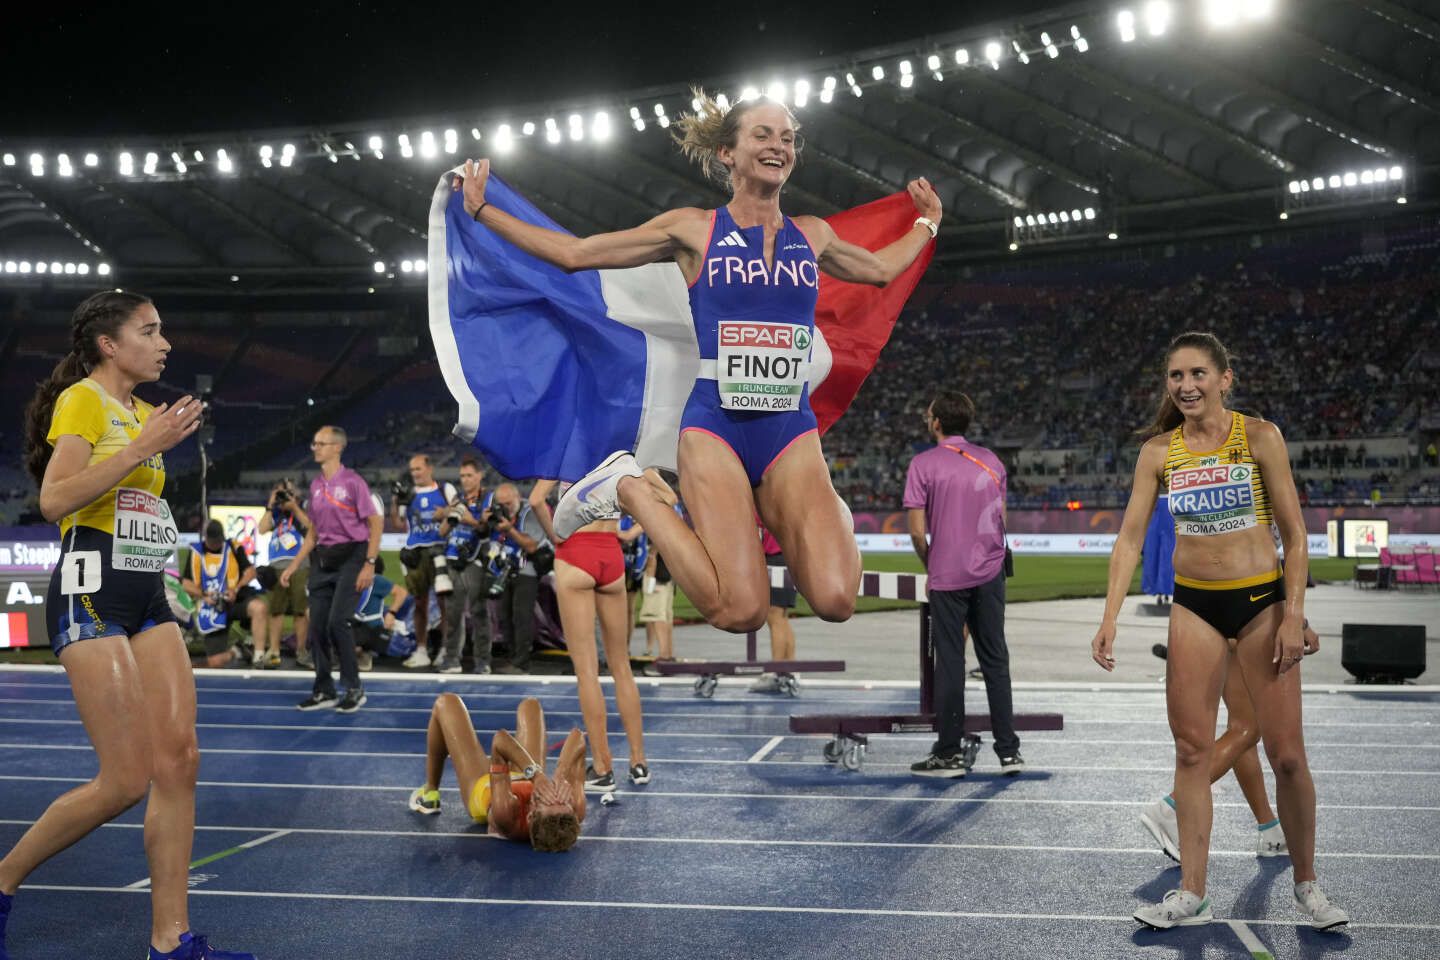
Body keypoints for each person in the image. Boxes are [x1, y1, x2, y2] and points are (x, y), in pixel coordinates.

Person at [452, 90, 940, 638]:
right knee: (741, 612)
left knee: (835, 599)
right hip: (717, 426)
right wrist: (483, 211)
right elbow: (576, 255)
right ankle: (628, 487)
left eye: (787, 138)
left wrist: (928, 225)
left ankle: (826, 510)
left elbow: (878, 271)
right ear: (727, 153)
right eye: (763, 135)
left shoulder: (814, 233)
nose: (779, 145)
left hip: (788, 428)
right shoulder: (693, 230)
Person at [11, 290, 253, 959]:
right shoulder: (84, 399)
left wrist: (153, 440)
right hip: (90, 591)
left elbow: (138, 508)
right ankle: (2, 880)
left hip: (148, 593)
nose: (166, 343)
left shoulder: (145, 411)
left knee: (180, 762)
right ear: (109, 345)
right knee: (123, 778)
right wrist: (140, 447)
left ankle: (170, 942)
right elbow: (56, 498)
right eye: (150, 331)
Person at [1090, 331, 1348, 931]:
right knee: (1190, 750)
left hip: (1260, 605)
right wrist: (1109, 617)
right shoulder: (1158, 452)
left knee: (1285, 755)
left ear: (1224, 378)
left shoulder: (1260, 437)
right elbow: (1129, 539)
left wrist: (1291, 613)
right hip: (1195, 607)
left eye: (1198, 373)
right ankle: (1193, 894)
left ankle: (1308, 886)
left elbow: (1297, 534)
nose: (1186, 385)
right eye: (1176, 376)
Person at [904, 390, 1022, 778]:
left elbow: (918, 533)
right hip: (990, 572)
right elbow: (1000, 519)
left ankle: (949, 754)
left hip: (948, 576)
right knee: (996, 660)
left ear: (936, 422)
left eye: (928, 415)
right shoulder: (991, 461)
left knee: (951, 663)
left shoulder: (922, 464)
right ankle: (1009, 753)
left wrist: (931, 565)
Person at [531, 479, 650, 790]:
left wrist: (555, 536)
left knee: (587, 672)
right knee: (622, 667)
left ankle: (603, 767)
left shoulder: (563, 451)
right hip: (611, 553)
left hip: (574, 551)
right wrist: (628, 528)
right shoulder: (619, 454)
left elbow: (535, 500)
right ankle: (639, 763)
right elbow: (663, 496)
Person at [407, 694, 588, 852]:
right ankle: (536, 781)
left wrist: (538, 776)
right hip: (525, 777)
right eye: (562, 799)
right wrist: (561, 775)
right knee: (531, 706)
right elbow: (578, 737)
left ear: (530, 815)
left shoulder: (506, 813)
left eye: (545, 799)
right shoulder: (574, 807)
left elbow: (500, 741)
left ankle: (430, 792)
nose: (555, 793)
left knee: (446, 702)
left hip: (485, 785)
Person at [283, 426, 381, 714]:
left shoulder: (353, 482)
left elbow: (375, 523)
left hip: (352, 556)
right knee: (316, 626)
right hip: (322, 561)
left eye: (321, 443)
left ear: (337, 447)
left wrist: (370, 563)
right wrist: (293, 565)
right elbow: (312, 533)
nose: (315, 448)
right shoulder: (315, 486)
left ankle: (354, 688)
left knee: (338, 622)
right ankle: (323, 689)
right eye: (314, 443)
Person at [393, 454, 457, 668]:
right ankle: (421, 650)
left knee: (444, 604)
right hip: (415, 553)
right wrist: (397, 502)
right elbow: (397, 522)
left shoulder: (445, 490)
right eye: (412, 470)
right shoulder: (409, 493)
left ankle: (445, 649)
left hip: (440, 551)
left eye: (418, 469)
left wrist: (445, 512)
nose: (415, 473)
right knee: (419, 603)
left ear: (430, 469)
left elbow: (459, 511)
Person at [180, 519, 269, 669]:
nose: (216, 544)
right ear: (206, 538)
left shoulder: (233, 547)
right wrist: (204, 595)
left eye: (218, 541)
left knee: (259, 607)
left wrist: (235, 589)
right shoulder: (196, 552)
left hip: (235, 600)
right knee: (215, 662)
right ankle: (237, 651)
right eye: (213, 542)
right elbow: (185, 584)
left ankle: (259, 657)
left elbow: (251, 572)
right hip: (212, 608)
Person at [437, 456, 492, 673]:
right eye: (462, 476)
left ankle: (483, 660)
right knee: (453, 613)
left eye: (469, 475)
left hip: (474, 560)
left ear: (479, 475)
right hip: (452, 558)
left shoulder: (488, 498)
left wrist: (467, 518)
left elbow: (485, 530)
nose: (465, 480)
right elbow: (442, 531)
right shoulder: (457, 498)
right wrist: (450, 513)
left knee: (479, 611)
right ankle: (452, 659)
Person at [489, 483, 546, 672]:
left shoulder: (530, 513)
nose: (505, 507)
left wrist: (509, 529)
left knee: (521, 616)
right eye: (501, 503)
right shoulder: (498, 512)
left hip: (526, 570)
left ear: (516, 498)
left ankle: (522, 662)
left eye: (508, 502)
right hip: (505, 569)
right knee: (504, 616)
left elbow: (531, 546)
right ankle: (513, 658)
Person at [257, 478, 310, 668]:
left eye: (287, 492)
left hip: (300, 564)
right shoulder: (276, 512)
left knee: (300, 611)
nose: (284, 496)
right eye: (280, 492)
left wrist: (294, 507)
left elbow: (312, 528)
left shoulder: (303, 507)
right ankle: (274, 651)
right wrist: (271, 506)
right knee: (276, 610)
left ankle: (301, 651)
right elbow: (262, 529)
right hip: (276, 564)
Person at [750, 519, 799, 693]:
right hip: (791, 558)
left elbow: (755, 535)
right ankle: (789, 669)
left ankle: (776, 672)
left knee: (775, 617)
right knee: (783, 617)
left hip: (775, 558)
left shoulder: (759, 502)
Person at [351, 556, 408, 672]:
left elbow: (401, 592)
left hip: (369, 630)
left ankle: (362, 651)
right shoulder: (351, 579)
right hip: (362, 628)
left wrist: (391, 613)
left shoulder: (376, 581)